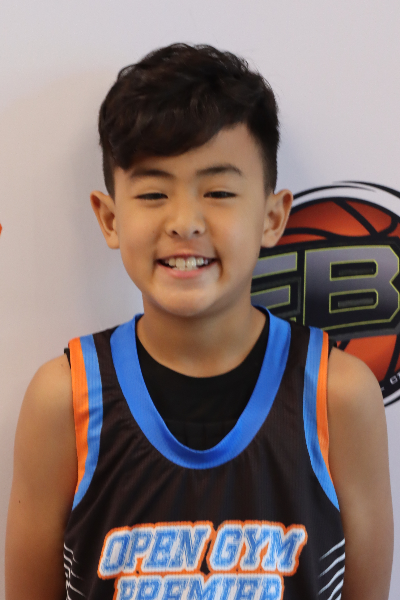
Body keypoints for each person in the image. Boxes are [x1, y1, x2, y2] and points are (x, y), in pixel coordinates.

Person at [5, 43, 393, 600]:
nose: (185, 222)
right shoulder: (64, 400)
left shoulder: (339, 395)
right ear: (110, 218)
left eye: (218, 191)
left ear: (273, 216)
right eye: (153, 192)